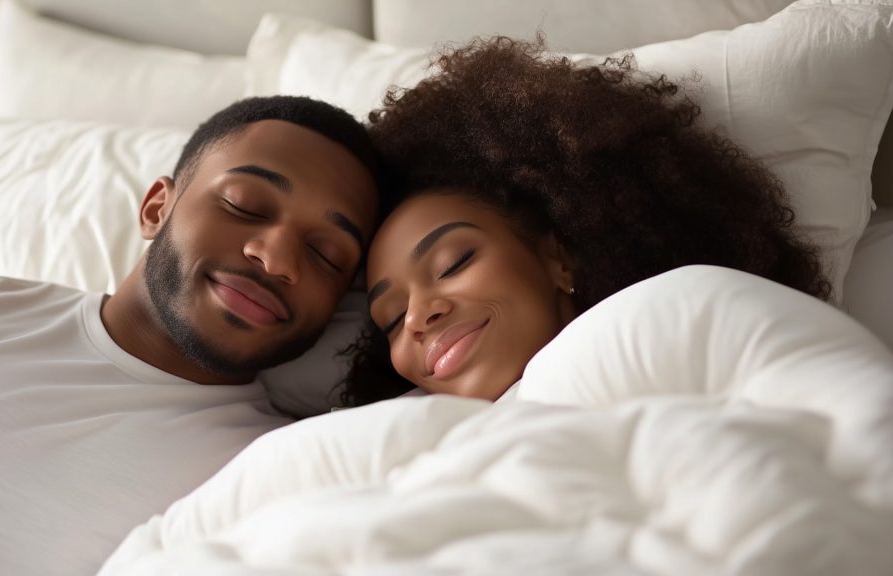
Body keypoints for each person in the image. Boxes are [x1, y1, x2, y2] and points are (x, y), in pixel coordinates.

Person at [0, 96, 382, 576]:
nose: (277, 258)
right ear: (157, 208)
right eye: (245, 205)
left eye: (327, 255)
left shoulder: (280, 472)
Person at [340, 37, 831, 406]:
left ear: (558, 257)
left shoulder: (695, 310)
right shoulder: (385, 438)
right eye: (391, 320)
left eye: (454, 262)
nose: (418, 316)